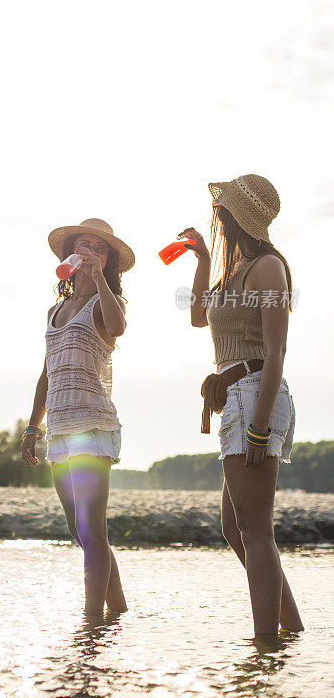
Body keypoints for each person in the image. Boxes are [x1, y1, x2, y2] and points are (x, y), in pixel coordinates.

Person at [179, 174, 304, 639]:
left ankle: (265, 648)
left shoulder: (268, 268)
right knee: (237, 529)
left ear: (236, 216)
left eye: (221, 208)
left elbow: (276, 353)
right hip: (237, 395)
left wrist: (259, 425)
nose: (216, 214)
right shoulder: (234, 269)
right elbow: (197, 315)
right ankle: (290, 632)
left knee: (256, 532)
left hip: (256, 395)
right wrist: (204, 259)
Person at [21, 218, 135, 616]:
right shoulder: (56, 310)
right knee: (78, 529)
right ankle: (117, 610)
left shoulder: (109, 303)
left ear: (109, 261)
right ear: (69, 253)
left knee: (92, 528)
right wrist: (32, 427)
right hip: (60, 430)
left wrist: (100, 279)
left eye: (99, 248)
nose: (89, 251)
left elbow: (117, 328)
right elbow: (46, 372)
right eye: (83, 244)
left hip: (93, 424)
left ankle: (90, 625)